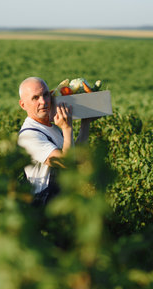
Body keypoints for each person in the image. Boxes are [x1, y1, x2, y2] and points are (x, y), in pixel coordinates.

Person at [17, 77, 95, 205]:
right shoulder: (29, 136)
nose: (43, 101)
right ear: (23, 104)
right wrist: (67, 128)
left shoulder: (52, 128)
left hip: (62, 201)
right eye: (35, 98)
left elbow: (76, 158)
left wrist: (85, 123)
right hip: (44, 206)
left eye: (45, 95)